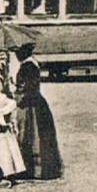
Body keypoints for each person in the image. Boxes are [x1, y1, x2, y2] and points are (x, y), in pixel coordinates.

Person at [12, 42, 62, 179]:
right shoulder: (33, 64)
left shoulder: (27, 67)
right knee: (39, 135)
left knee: (28, 134)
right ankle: (40, 169)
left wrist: (15, 93)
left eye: (18, 52)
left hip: (29, 104)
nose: (16, 55)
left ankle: (30, 170)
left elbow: (25, 87)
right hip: (37, 103)